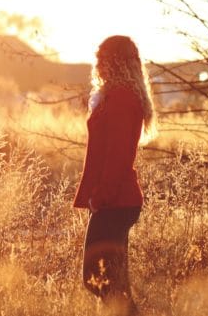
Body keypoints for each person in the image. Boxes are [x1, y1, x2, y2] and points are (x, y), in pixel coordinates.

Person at [73, 35, 154, 315]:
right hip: (116, 201)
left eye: (102, 58)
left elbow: (119, 156)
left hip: (115, 201)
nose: (97, 64)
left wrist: (100, 196)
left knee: (100, 280)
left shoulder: (121, 98)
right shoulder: (116, 96)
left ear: (115, 61)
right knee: (113, 282)